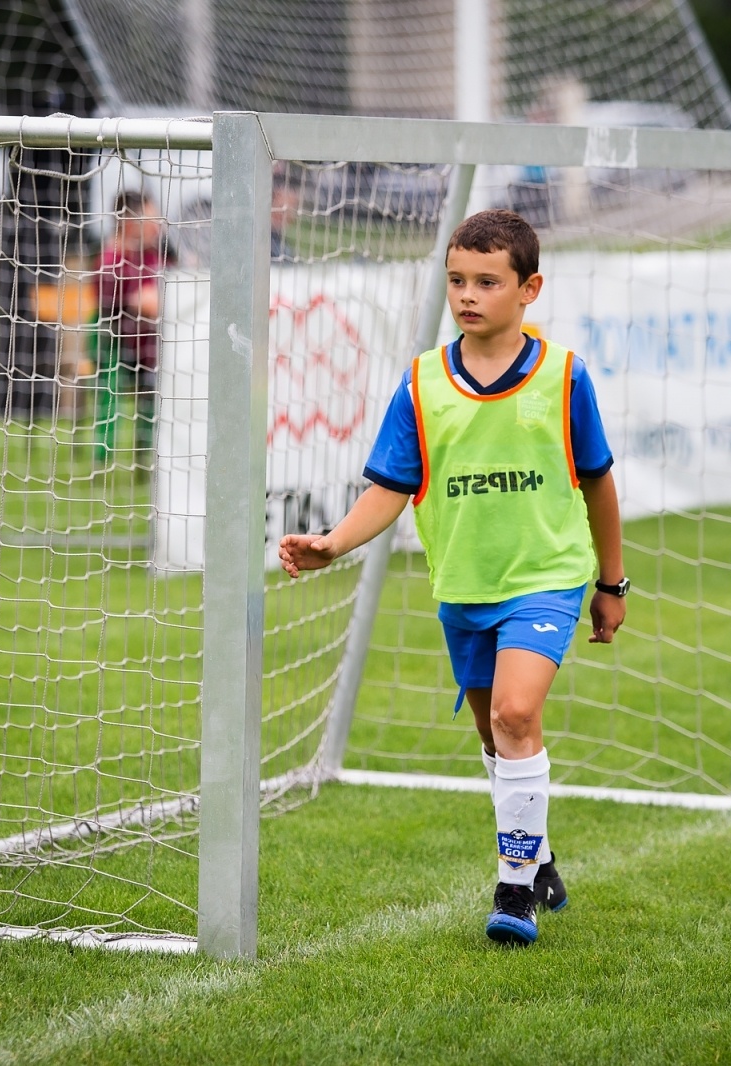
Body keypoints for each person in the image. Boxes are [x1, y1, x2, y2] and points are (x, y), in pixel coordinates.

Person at [277, 209, 628, 947]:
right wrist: (334, 544)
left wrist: (610, 584)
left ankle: (513, 888)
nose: (468, 295)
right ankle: (541, 854)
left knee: (515, 715)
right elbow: (390, 487)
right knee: (497, 740)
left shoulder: (565, 376)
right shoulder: (423, 382)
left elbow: (597, 482)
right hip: (464, 588)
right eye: (456, 281)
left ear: (529, 288)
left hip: (546, 579)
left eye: (487, 282)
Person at [93, 189, 171, 466]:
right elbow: (133, 301)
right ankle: (103, 456)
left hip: (157, 350)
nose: (158, 224)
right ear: (129, 221)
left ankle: (153, 457)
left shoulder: (153, 256)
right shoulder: (111, 259)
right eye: (151, 217)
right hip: (122, 353)